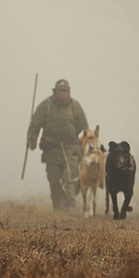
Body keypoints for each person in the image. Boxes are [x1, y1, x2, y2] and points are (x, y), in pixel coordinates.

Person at [27, 78, 89, 210]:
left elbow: (85, 129)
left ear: (69, 92)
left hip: (72, 149)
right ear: (55, 92)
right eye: (60, 91)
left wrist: (86, 145)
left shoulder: (75, 107)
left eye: (65, 91)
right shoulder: (46, 106)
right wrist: (31, 141)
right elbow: (35, 124)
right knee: (54, 179)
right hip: (52, 149)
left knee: (72, 178)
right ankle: (57, 206)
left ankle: (69, 202)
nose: (63, 93)